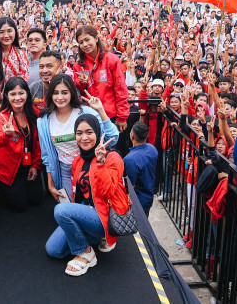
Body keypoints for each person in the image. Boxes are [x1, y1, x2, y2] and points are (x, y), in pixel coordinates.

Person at [45, 114, 130, 276]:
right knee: (53, 250)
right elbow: (79, 194)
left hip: (105, 216)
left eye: (89, 132)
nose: (84, 137)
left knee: (61, 210)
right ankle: (88, 239)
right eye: (79, 133)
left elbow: (108, 191)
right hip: (88, 211)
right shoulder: (78, 160)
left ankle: (85, 252)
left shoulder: (112, 157)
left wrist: (99, 163)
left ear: (97, 133)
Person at [37, 74, 118, 202]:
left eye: (64, 92)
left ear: (72, 93)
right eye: (55, 93)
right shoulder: (43, 121)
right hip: (64, 171)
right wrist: (50, 184)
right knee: (70, 207)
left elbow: (112, 137)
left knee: (91, 206)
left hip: (89, 166)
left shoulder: (85, 112)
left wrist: (101, 110)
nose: (60, 97)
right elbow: (46, 156)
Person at [0, 77, 42, 211]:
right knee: (20, 206)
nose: (17, 98)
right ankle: (1, 187)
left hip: (28, 163)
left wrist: (35, 165)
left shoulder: (35, 113)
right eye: (13, 94)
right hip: (9, 169)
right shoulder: (2, 117)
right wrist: (6, 135)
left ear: (27, 94)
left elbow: (38, 142)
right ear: (6, 96)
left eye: (21, 93)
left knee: (37, 199)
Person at [72, 25, 129, 132]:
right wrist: (81, 82)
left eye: (87, 40)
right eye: (81, 42)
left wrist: (122, 116)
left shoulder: (111, 59)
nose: (85, 45)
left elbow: (120, 88)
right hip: (89, 116)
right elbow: (78, 92)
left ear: (96, 38)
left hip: (110, 115)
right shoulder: (78, 65)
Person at [123, 121, 158, 216]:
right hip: (148, 198)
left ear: (132, 136)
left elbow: (131, 186)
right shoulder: (152, 149)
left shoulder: (130, 159)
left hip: (137, 203)